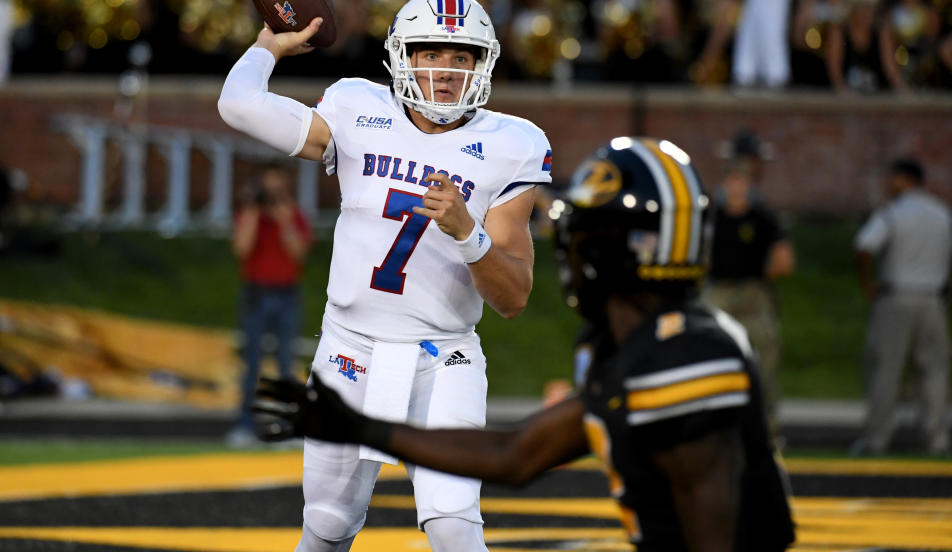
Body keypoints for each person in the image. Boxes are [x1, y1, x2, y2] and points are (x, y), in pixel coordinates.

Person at [253, 138, 796, 552]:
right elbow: (514, 456)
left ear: (615, 251)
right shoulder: (641, 344)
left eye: (580, 238)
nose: (568, 254)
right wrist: (359, 426)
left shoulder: (685, 360)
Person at [217, 0, 552, 552]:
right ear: (403, 55)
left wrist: (470, 235)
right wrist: (266, 48)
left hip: (444, 355)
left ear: (482, 63)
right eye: (430, 53)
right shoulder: (356, 108)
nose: (444, 70)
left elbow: (514, 297)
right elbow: (238, 105)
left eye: (460, 56)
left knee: (452, 521)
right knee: (326, 524)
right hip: (351, 349)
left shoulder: (511, 144)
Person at [850, 158, 951, 456]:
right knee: (934, 371)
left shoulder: (893, 213)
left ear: (904, 179)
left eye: (892, 179)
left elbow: (864, 246)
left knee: (886, 370)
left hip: (896, 297)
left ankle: (876, 439)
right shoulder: (941, 213)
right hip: (933, 299)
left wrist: (868, 284)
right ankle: (937, 439)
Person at [704, 140, 795, 432]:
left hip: (754, 292)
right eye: (731, 180)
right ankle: (713, 424)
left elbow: (784, 261)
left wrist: (757, 270)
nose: (736, 186)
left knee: (764, 359)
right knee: (711, 353)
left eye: (741, 180)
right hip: (719, 291)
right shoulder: (712, 215)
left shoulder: (762, 216)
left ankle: (767, 428)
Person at [226, 163, 312, 447]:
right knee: (251, 364)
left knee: (287, 364)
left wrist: (285, 221)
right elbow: (241, 250)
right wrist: (251, 211)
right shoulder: (249, 215)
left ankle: (286, 427)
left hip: (287, 293)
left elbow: (299, 254)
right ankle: (245, 427)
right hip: (256, 293)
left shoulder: (294, 215)